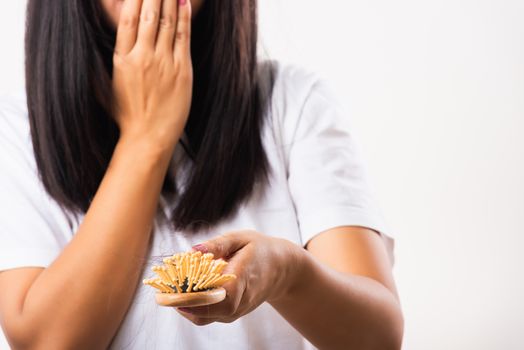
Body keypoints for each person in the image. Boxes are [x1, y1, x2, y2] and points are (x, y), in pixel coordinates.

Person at [0, 0, 403, 349]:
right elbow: (44, 342)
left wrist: (285, 270)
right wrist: (146, 138)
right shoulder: (16, 132)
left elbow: (378, 337)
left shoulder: (293, 103)